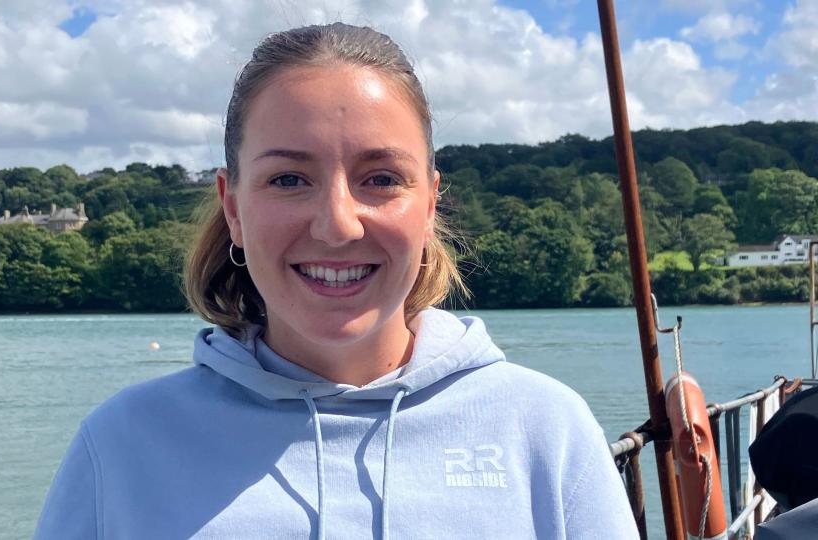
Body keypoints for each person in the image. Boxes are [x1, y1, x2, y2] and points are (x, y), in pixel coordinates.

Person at [34, 22, 638, 539]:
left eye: (380, 178)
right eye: (289, 180)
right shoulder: (121, 447)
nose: (337, 225)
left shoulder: (545, 432)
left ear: (429, 204)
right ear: (235, 208)